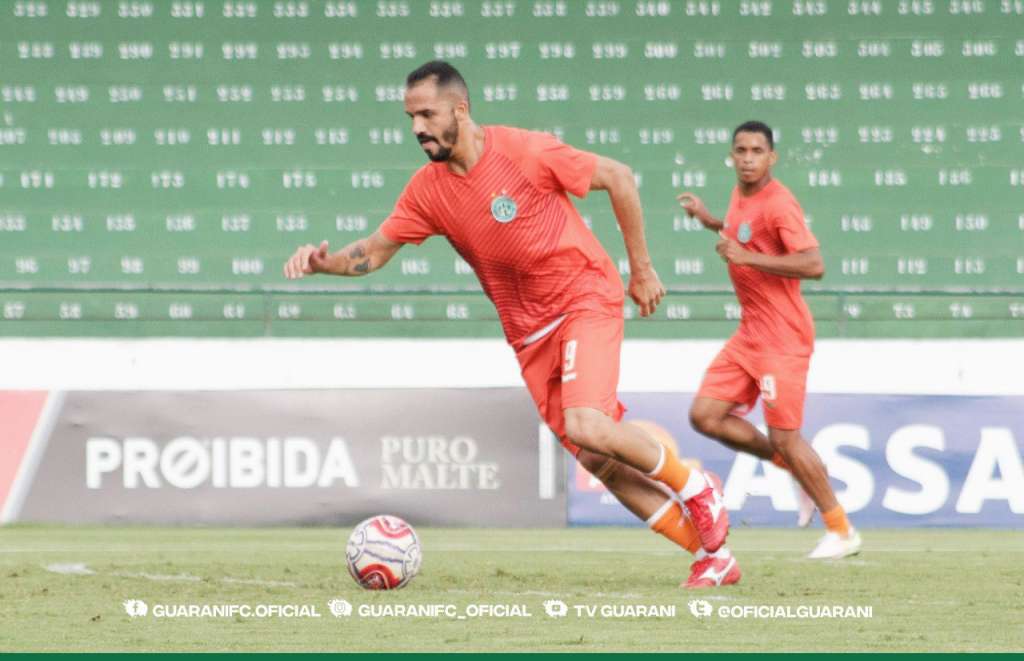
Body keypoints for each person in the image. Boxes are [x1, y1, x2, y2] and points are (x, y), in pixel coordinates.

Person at [284, 61, 738, 587]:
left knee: (588, 425)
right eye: (410, 118)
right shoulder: (427, 191)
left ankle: (698, 487)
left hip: (582, 297)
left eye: (427, 114)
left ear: (460, 109)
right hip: (529, 336)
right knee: (599, 460)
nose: (417, 128)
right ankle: (712, 556)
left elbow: (617, 176)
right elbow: (373, 251)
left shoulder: (525, 151)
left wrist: (641, 269)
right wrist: (326, 263)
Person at [678, 120, 862, 559]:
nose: (747, 159)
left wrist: (747, 258)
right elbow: (741, 231)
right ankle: (794, 466)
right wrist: (709, 221)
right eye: (740, 150)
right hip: (750, 334)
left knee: (787, 437)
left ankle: (841, 531)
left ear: (771, 157)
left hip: (782, 337)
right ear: (731, 155)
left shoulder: (779, 203)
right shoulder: (740, 194)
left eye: (756, 151)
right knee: (705, 415)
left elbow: (814, 264)